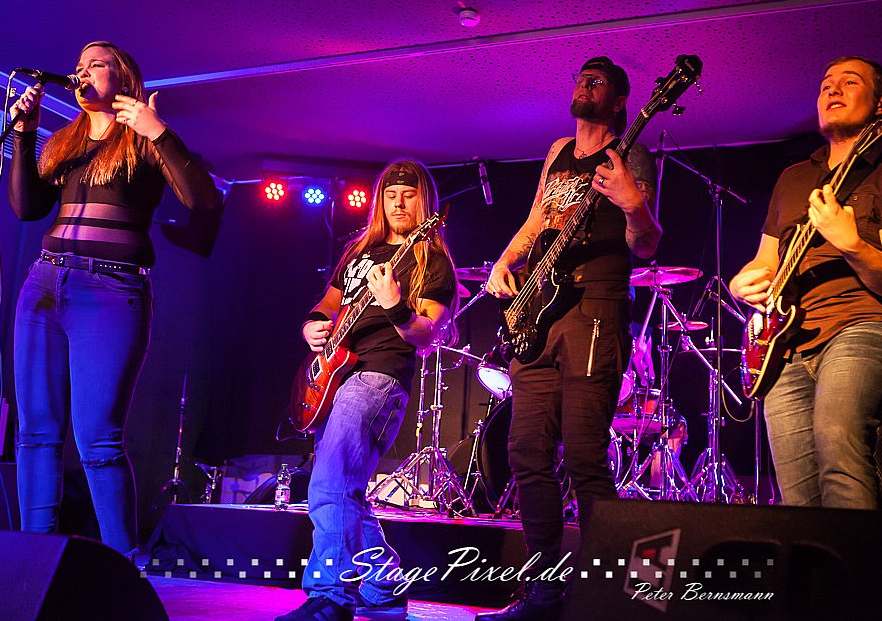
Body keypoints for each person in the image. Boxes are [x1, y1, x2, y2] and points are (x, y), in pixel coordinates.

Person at [8, 41, 221, 558]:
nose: (81, 73)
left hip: (110, 290)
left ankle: (123, 568)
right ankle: (33, 562)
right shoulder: (65, 141)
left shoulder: (142, 138)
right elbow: (27, 208)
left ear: (123, 77)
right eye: (78, 67)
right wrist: (24, 134)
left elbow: (203, 200)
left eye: (96, 65)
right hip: (44, 284)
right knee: (35, 433)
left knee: (98, 440)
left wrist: (158, 131)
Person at [480, 56, 661, 620]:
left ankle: (611, 595)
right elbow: (537, 220)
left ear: (619, 101)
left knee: (584, 456)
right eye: (581, 77)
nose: (585, 83)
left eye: (598, 81)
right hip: (539, 309)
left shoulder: (631, 154)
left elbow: (646, 244)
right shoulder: (559, 150)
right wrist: (504, 262)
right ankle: (543, 591)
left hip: (595, 307)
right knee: (526, 452)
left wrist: (633, 204)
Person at [728, 56, 882, 509]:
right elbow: (764, 262)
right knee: (797, 496)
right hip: (785, 346)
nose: (832, 90)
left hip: (865, 324)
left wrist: (851, 244)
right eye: (826, 84)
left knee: (839, 442)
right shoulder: (793, 178)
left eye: (850, 82)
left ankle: (857, 558)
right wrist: (741, 284)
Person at [278, 160, 457, 621]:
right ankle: (383, 585)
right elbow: (328, 303)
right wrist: (312, 324)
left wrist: (395, 305)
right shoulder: (359, 252)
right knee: (346, 490)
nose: (399, 203)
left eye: (409, 195)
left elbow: (426, 334)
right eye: (391, 195)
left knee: (329, 483)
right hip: (335, 377)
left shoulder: (431, 261)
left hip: (378, 377)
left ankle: (330, 596)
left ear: (424, 202)